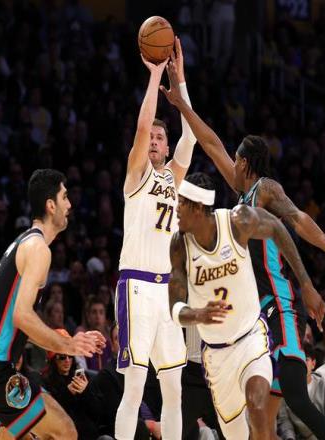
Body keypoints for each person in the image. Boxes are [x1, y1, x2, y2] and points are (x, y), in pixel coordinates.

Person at [160, 61, 325, 439]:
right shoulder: (241, 201)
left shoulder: (265, 189)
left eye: (236, 159)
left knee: (296, 396)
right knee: (262, 419)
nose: (231, 163)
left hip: (281, 301)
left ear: (245, 163)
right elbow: (211, 143)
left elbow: (297, 218)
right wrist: (180, 103)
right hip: (257, 315)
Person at [168, 172, 324, 440]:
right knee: (236, 435)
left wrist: (306, 283)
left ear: (197, 207)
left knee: (258, 407)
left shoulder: (236, 222)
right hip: (216, 355)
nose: (176, 208)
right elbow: (175, 308)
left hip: (251, 338)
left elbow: (276, 228)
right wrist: (198, 315)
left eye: (181, 202)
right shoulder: (179, 245)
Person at [0, 169, 106, 440]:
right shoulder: (39, 249)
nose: (70, 204)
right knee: (65, 432)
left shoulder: (23, 242)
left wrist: (62, 341)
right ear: (51, 205)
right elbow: (22, 316)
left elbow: (18, 319)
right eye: (65, 197)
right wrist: (68, 345)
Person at [115, 38, 197, 440]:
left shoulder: (172, 179)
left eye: (160, 139)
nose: (153, 141)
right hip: (135, 286)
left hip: (166, 293)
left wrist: (179, 84)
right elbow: (142, 125)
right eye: (151, 137)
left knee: (174, 390)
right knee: (134, 388)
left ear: (166, 147)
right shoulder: (136, 174)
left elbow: (192, 138)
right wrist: (155, 75)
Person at [278, 342, 325, 439]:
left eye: (306, 360)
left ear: (313, 364)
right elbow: (284, 421)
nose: (301, 365)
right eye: (298, 361)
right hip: (303, 437)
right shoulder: (285, 387)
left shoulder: (321, 383)